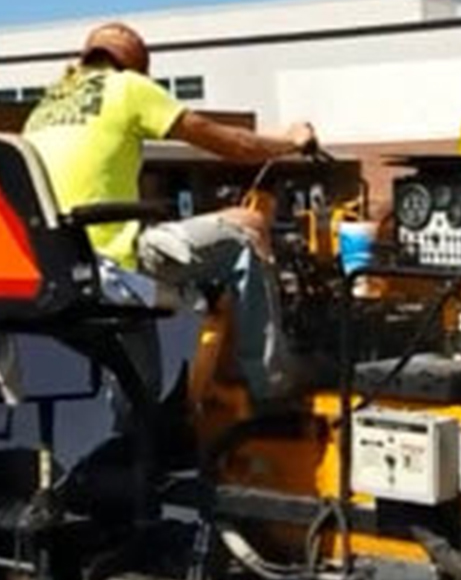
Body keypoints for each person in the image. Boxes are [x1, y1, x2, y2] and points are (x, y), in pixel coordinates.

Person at [22, 21, 316, 402]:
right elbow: (234, 144)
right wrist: (290, 139)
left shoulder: (45, 107)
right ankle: (272, 384)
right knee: (248, 233)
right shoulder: (128, 88)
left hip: (59, 265)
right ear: (138, 68)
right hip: (112, 258)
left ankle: (136, 438)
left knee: (142, 387)